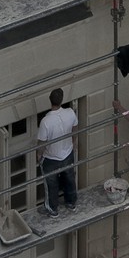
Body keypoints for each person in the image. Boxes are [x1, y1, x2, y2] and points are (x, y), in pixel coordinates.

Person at [36, 88, 78, 216]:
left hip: (51, 158)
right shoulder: (70, 113)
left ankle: (52, 208)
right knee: (69, 178)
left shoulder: (46, 121)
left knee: (51, 184)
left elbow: (42, 142)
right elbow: (75, 129)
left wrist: (39, 156)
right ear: (61, 100)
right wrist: (74, 144)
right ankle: (71, 202)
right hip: (68, 153)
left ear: (50, 101)